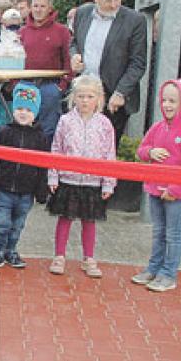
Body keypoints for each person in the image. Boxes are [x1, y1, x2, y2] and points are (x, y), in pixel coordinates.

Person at [134, 78, 181, 292]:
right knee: (158, 232)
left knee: (173, 235)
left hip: (177, 196)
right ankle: (153, 268)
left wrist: (175, 189)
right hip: (155, 189)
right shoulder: (157, 127)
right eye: (164, 100)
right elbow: (142, 149)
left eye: (173, 101)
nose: (167, 105)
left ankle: (168, 274)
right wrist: (150, 152)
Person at [46, 75, 115, 277]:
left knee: (89, 220)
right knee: (65, 218)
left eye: (90, 96)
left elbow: (109, 153)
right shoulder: (65, 121)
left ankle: (89, 257)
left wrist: (108, 183)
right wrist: (53, 176)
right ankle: (59, 255)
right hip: (68, 178)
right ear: (73, 98)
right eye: (81, 96)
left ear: (99, 99)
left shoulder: (104, 124)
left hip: (93, 180)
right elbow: (56, 149)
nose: (85, 101)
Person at [70, 0, 148, 146]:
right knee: (78, 144)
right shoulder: (82, 14)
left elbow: (138, 62)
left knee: (105, 148)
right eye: (108, 1)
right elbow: (75, 42)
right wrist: (74, 56)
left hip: (113, 95)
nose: (113, 5)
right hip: (84, 90)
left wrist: (121, 93)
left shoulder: (135, 20)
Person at [0, 82, 49, 270]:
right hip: (4, 189)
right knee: (0, 222)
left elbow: (43, 166)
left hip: (27, 192)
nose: (23, 113)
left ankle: (11, 250)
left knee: (18, 225)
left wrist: (42, 191)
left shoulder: (41, 138)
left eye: (28, 109)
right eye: (19, 108)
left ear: (36, 112)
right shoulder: (4, 132)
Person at [19, 0, 72, 140]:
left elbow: (69, 59)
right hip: (26, 84)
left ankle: (46, 161)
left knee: (48, 129)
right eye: (35, 6)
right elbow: (15, 59)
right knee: (24, 126)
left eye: (43, 6)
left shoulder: (62, 31)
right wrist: (15, 83)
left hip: (50, 86)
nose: (38, 9)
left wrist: (62, 85)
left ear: (50, 9)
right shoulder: (22, 32)